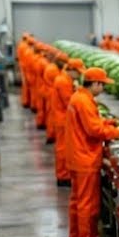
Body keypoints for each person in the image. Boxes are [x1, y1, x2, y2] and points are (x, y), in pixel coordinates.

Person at [66, 68, 119, 237]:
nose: (103, 89)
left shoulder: (80, 97)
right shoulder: (84, 101)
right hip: (85, 158)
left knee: (77, 201)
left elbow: (91, 124)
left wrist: (108, 123)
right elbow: (94, 131)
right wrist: (118, 132)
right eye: (103, 85)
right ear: (95, 83)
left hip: (76, 156)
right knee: (87, 204)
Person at [52, 58, 84, 187]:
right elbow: (69, 101)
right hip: (63, 120)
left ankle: (64, 174)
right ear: (71, 70)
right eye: (78, 72)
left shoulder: (65, 79)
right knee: (63, 149)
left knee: (63, 148)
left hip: (62, 118)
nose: (79, 75)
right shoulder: (63, 82)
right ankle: (63, 176)